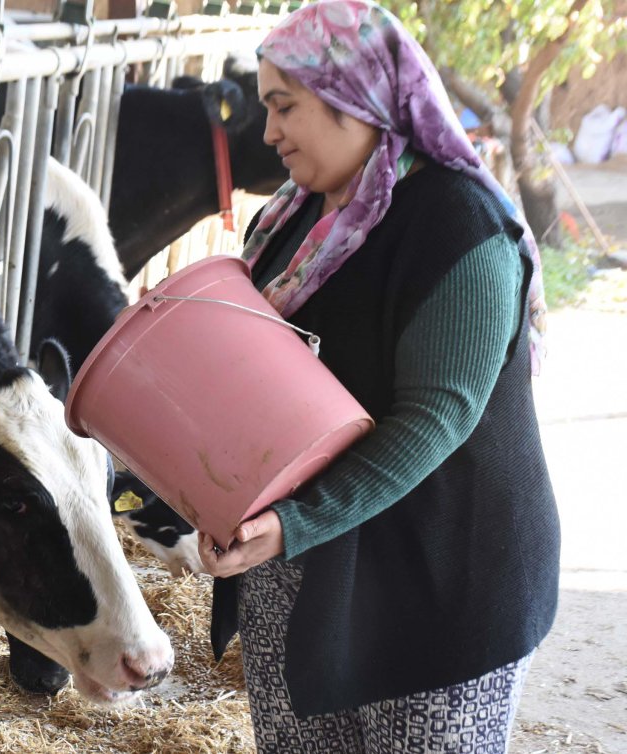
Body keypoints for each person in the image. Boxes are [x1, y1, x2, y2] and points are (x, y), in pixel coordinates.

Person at [195, 2, 561, 752]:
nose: (268, 133)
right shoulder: (295, 221)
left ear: (357, 96)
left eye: (284, 106)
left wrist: (292, 523)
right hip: (304, 572)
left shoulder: (459, 228)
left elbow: (437, 417)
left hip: (438, 583)